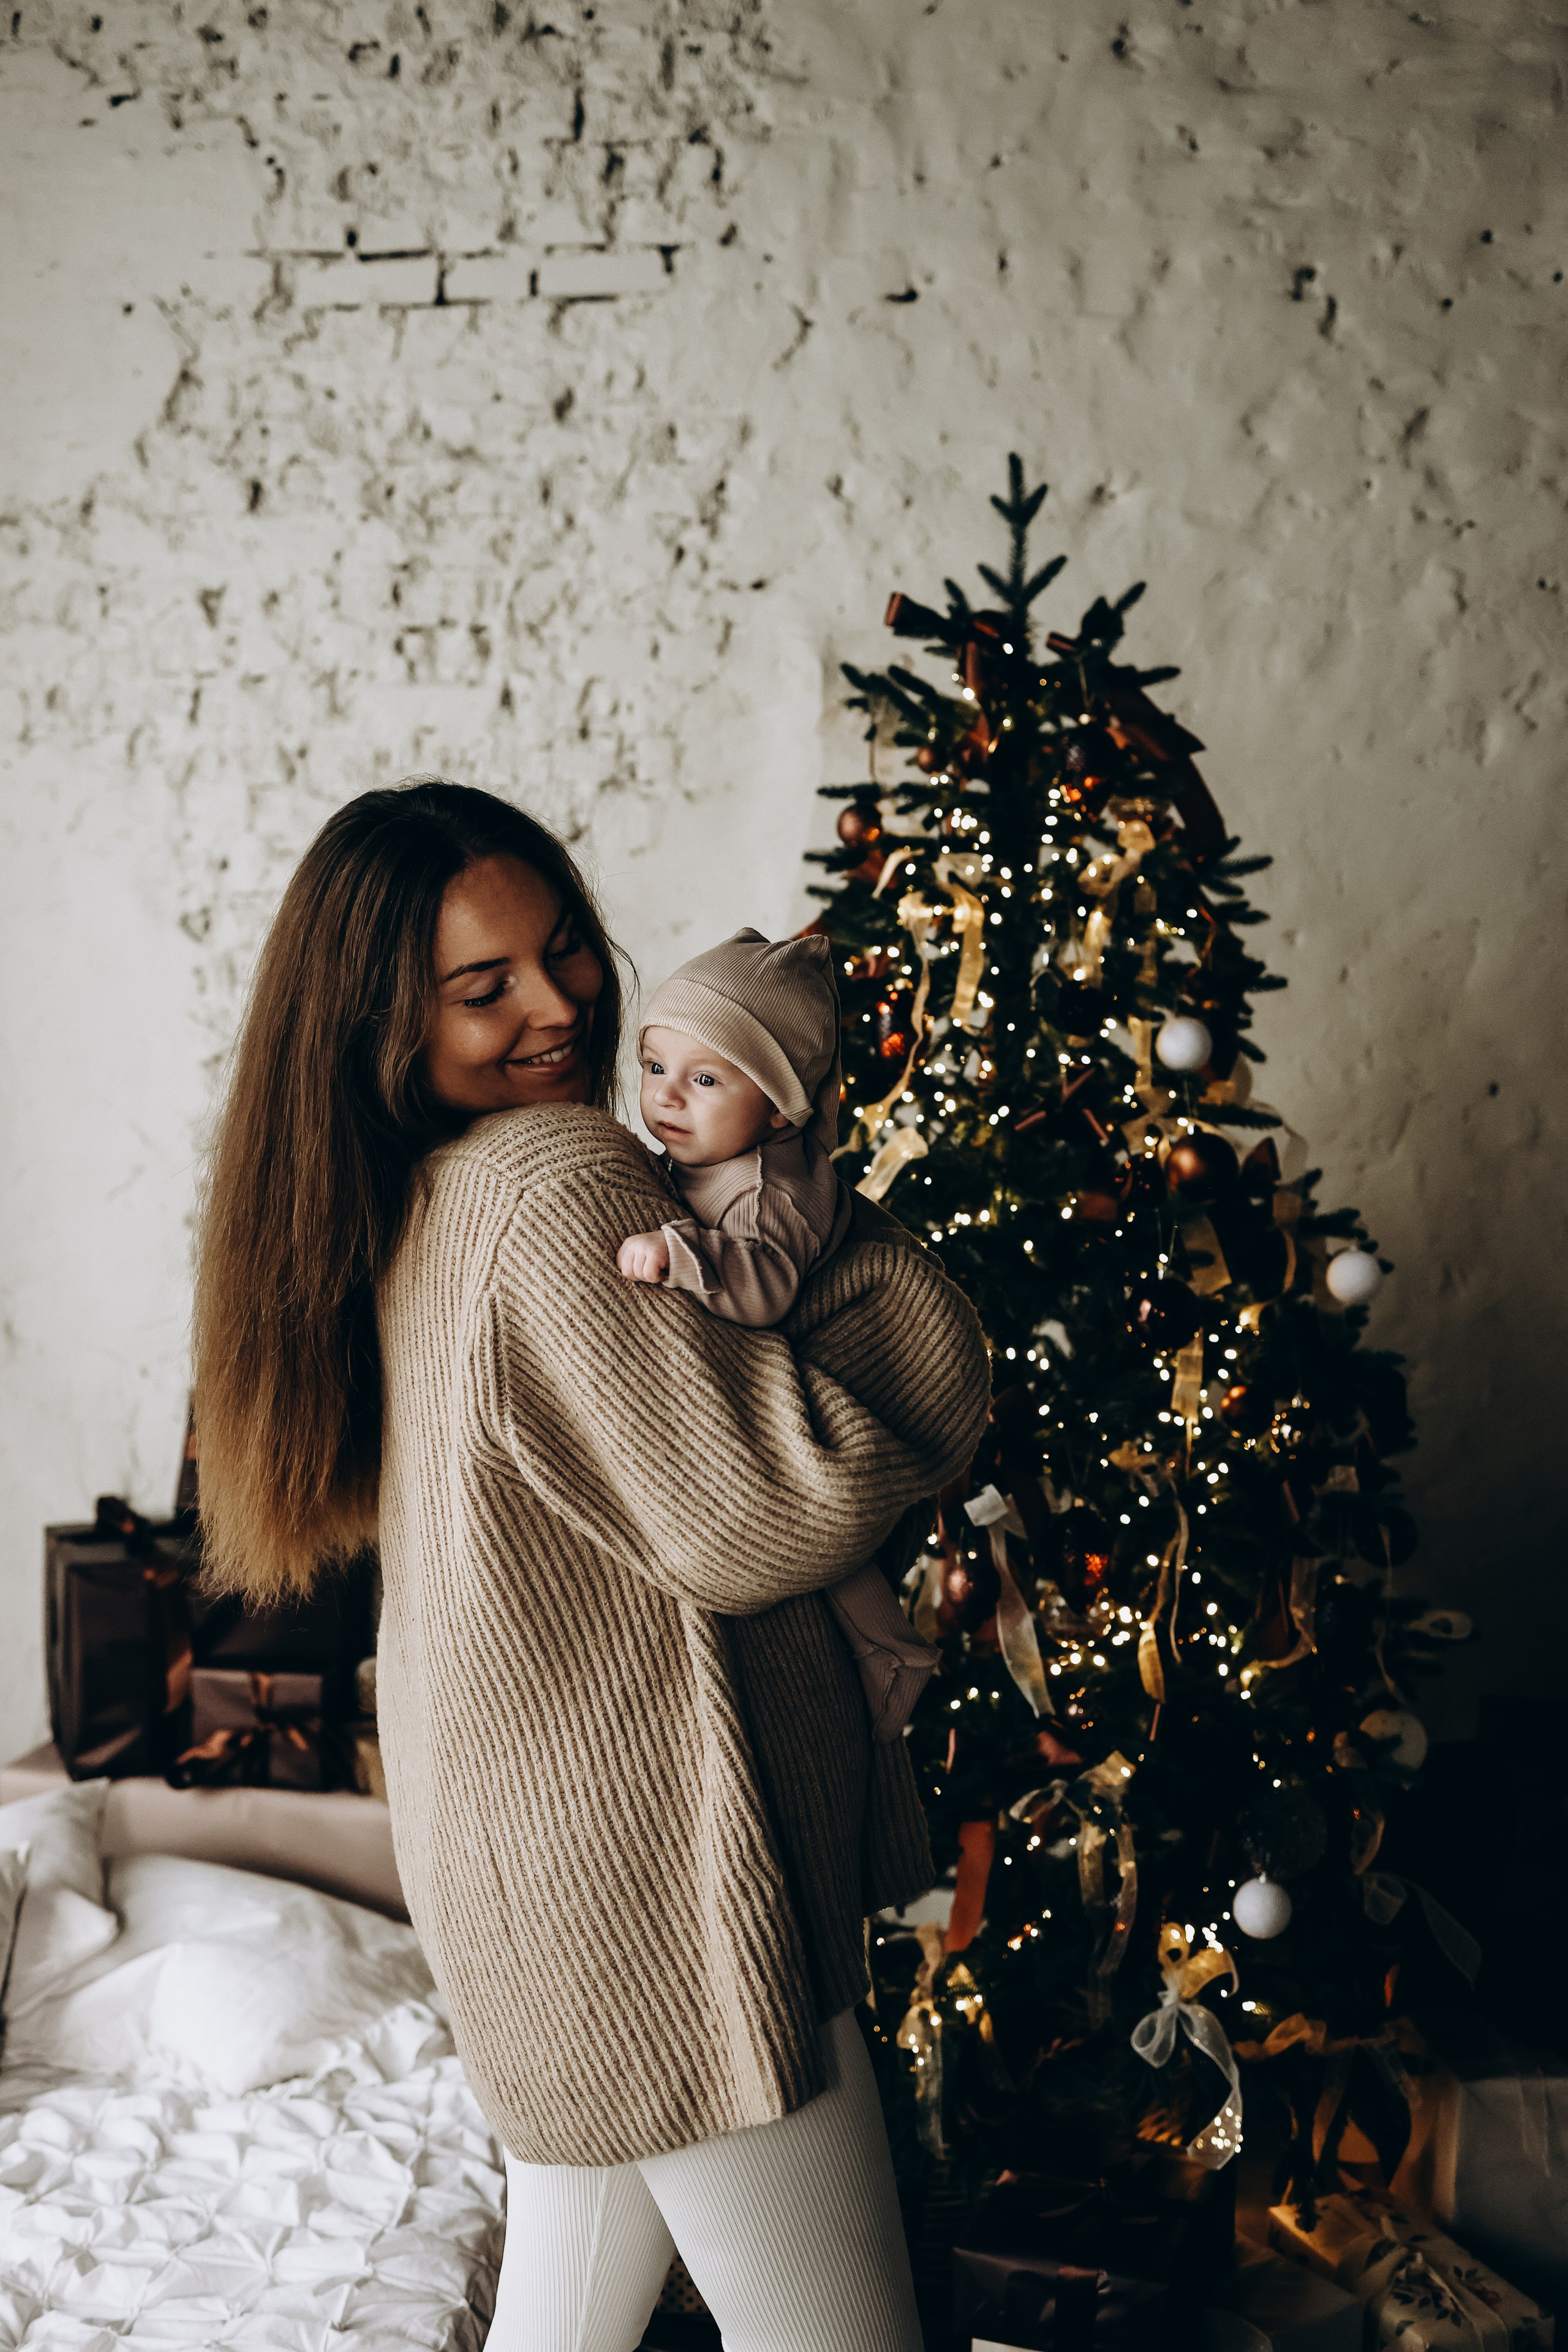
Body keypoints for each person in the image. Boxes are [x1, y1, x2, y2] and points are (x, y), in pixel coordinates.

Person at [192, 778, 990, 2352]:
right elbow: (767, 1507)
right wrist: (909, 1314)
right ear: (372, 1025)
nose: (559, 1006)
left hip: (550, 1884)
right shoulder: (558, 1186)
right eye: (481, 987)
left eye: (561, 951)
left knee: (562, 2322)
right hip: (664, 1898)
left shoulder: (429, 1190)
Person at [618, 925, 941, 1744]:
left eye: (703, 1080)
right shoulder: (716, 1147)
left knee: (829, 1549)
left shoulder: (770, 1192)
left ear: (778, 1106)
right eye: (655, 1068)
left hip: (824, 1359)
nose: (666, 1098)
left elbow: (764, 1288)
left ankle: (897, 1649)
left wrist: (678, 1251)